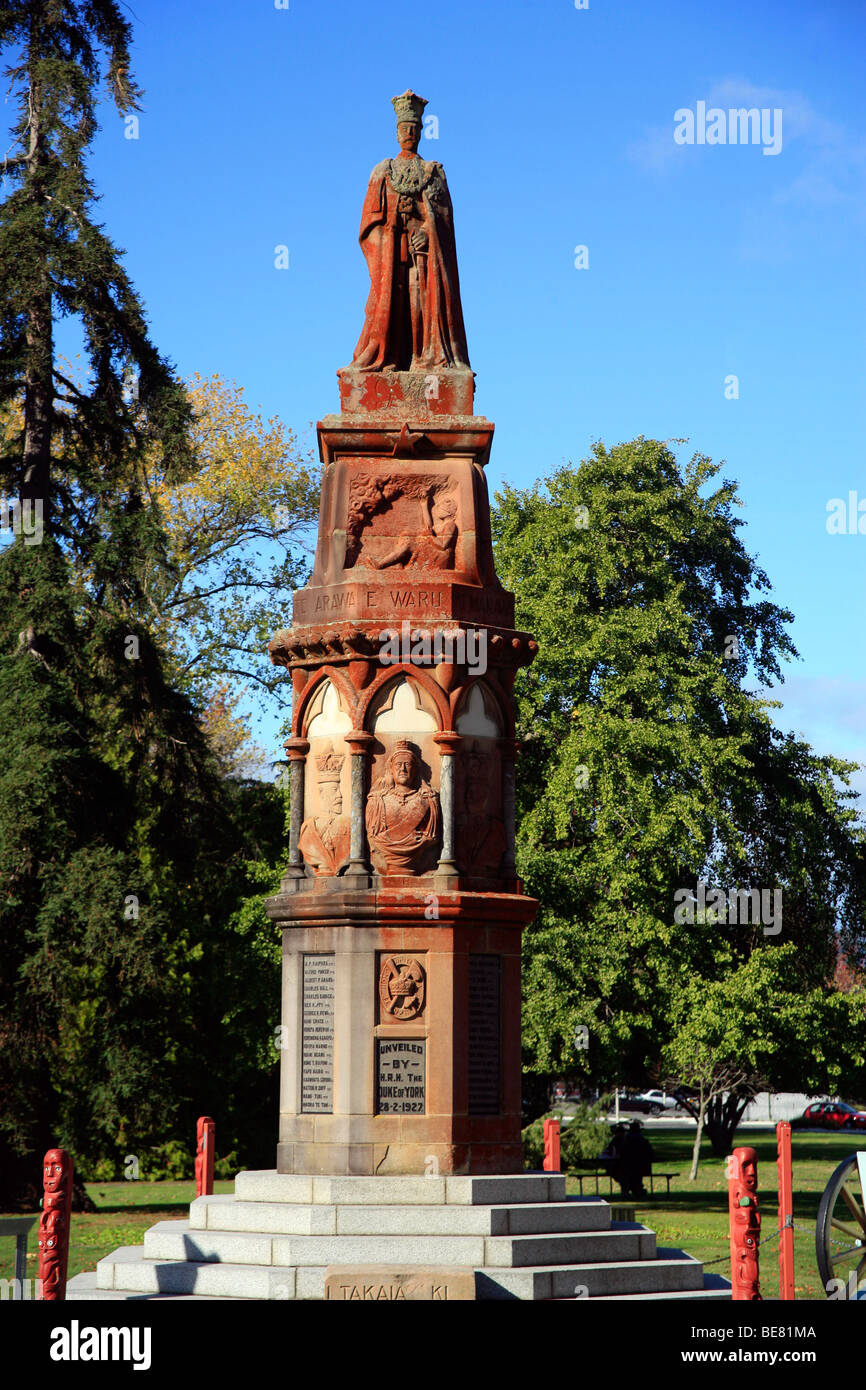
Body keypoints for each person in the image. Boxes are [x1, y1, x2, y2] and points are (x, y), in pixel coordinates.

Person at [350, 90, 470, 372]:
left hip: (423, 258)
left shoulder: (433, 173)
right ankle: (387, 357)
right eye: (404, 128)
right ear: (396, 132)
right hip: (392, 257)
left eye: (414, 128)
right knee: (389, 306)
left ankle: (424, 358)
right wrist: (392, 226)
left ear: (421, 132)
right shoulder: (383, 171)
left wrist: (427, 234)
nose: (409, 132)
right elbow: (368, 227)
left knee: (420, 304)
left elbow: (444, 224)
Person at [619, 1120, 655, 1199]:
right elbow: (651, 1154)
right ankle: (637, 1190)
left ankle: (631, 1190)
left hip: (629, 1168)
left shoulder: (626, 1142)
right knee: (635, 1176)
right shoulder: (643, 1141)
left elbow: (621, 1154)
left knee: (625, 1174)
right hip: (642, 1168)